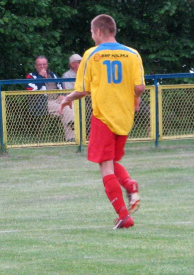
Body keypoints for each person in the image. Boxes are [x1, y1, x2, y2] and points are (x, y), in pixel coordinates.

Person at [59, 14, 144, 229]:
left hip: (103, 117)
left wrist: (68, 99)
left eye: (91, 31)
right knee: (113, 162)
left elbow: (83, 90)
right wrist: (134, 100)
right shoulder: (133, 54)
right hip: (124, 117)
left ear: (98, 31)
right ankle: (129, 184)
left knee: (105, 167)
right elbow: (140, 88)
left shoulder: (91, 55)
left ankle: (124, 216)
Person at [26, 56, 75, 141]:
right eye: (40, 65)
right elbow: (32, 89)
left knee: (70, 105)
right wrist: (40, 77)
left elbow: (61, 87)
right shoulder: (31, 76)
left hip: (57, 99)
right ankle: (73, 128)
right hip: (43, 102)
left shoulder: (53, 75)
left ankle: (72, 128)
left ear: (47, 65)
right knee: (65, 108)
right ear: (36, 66)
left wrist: (62, 94)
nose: (42, 67)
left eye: (44, 64)